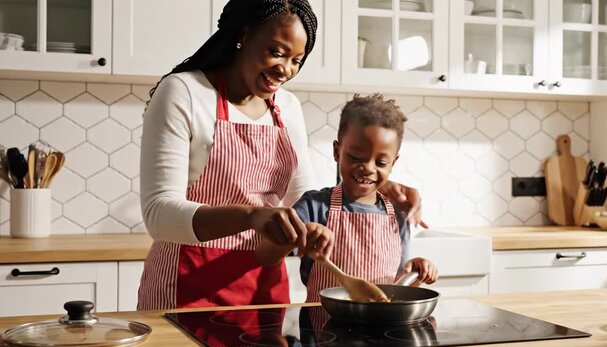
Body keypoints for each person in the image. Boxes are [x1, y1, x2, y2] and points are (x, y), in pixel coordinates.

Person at [137, 0, 425, 311]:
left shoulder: (287, 107)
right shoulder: (184, 92)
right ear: (243, 35)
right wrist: (252, 215)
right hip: (188, 285)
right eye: (276, 52)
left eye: (296, 60)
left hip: (265, 289)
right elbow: (159, 214)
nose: (285, 69)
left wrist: (369, 191)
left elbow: (301, 199)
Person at [293, 94, 438, 303]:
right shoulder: (314, 206)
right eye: (356, 157)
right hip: (323, 327)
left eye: (380, 162)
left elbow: (397, 286)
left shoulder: (399, 214)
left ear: (393, 163)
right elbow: (274, 244)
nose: (368, 168)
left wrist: (416, 272)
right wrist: (302, 232)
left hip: (380, 328)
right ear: (337, 151)